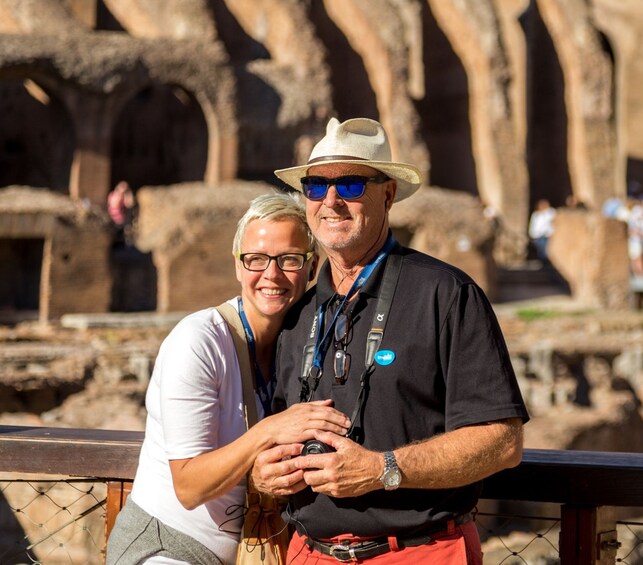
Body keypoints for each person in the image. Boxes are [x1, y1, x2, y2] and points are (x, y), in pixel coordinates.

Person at [257, 117, 529, 564]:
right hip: (308, 553)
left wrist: (381, 470)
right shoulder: (296, 315)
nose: (330, 201)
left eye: (349, 186)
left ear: (388, 194)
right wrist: (263, 473)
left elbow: (502, 441)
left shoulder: (446, 295)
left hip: (420, 552)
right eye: (315, 186)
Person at [106, 193, 349, 565]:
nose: (271, 274)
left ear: (312, 267)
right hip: (168, 548)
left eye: (289, 260)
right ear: (238, 266)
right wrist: (271, 430)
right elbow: (188, 486)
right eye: (256, 259)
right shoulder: (199, 341)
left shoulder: (305, 345)